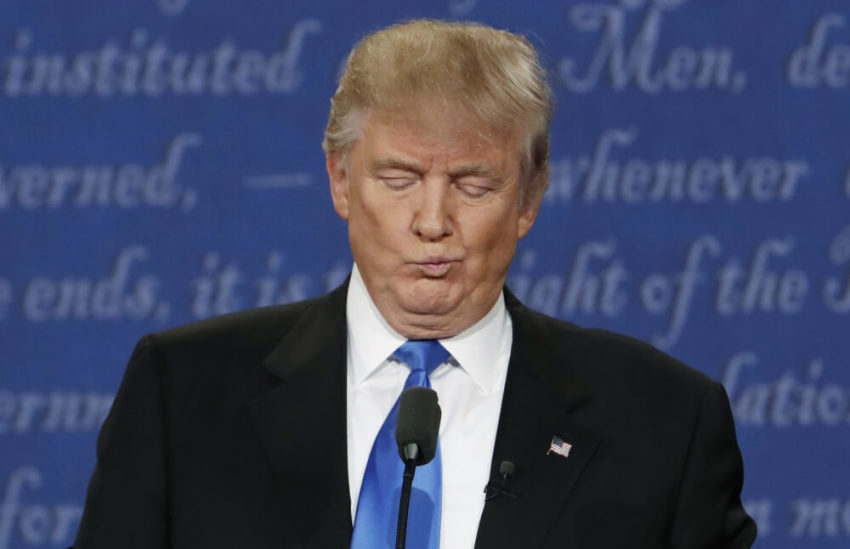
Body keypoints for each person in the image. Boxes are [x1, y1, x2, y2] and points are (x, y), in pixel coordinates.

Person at [73, 19, 757, 549]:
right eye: (398, 179)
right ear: (341, 180)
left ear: (529, 197)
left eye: (473, 183)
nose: (433, 221)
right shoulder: (183, 393)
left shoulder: (665, 422)